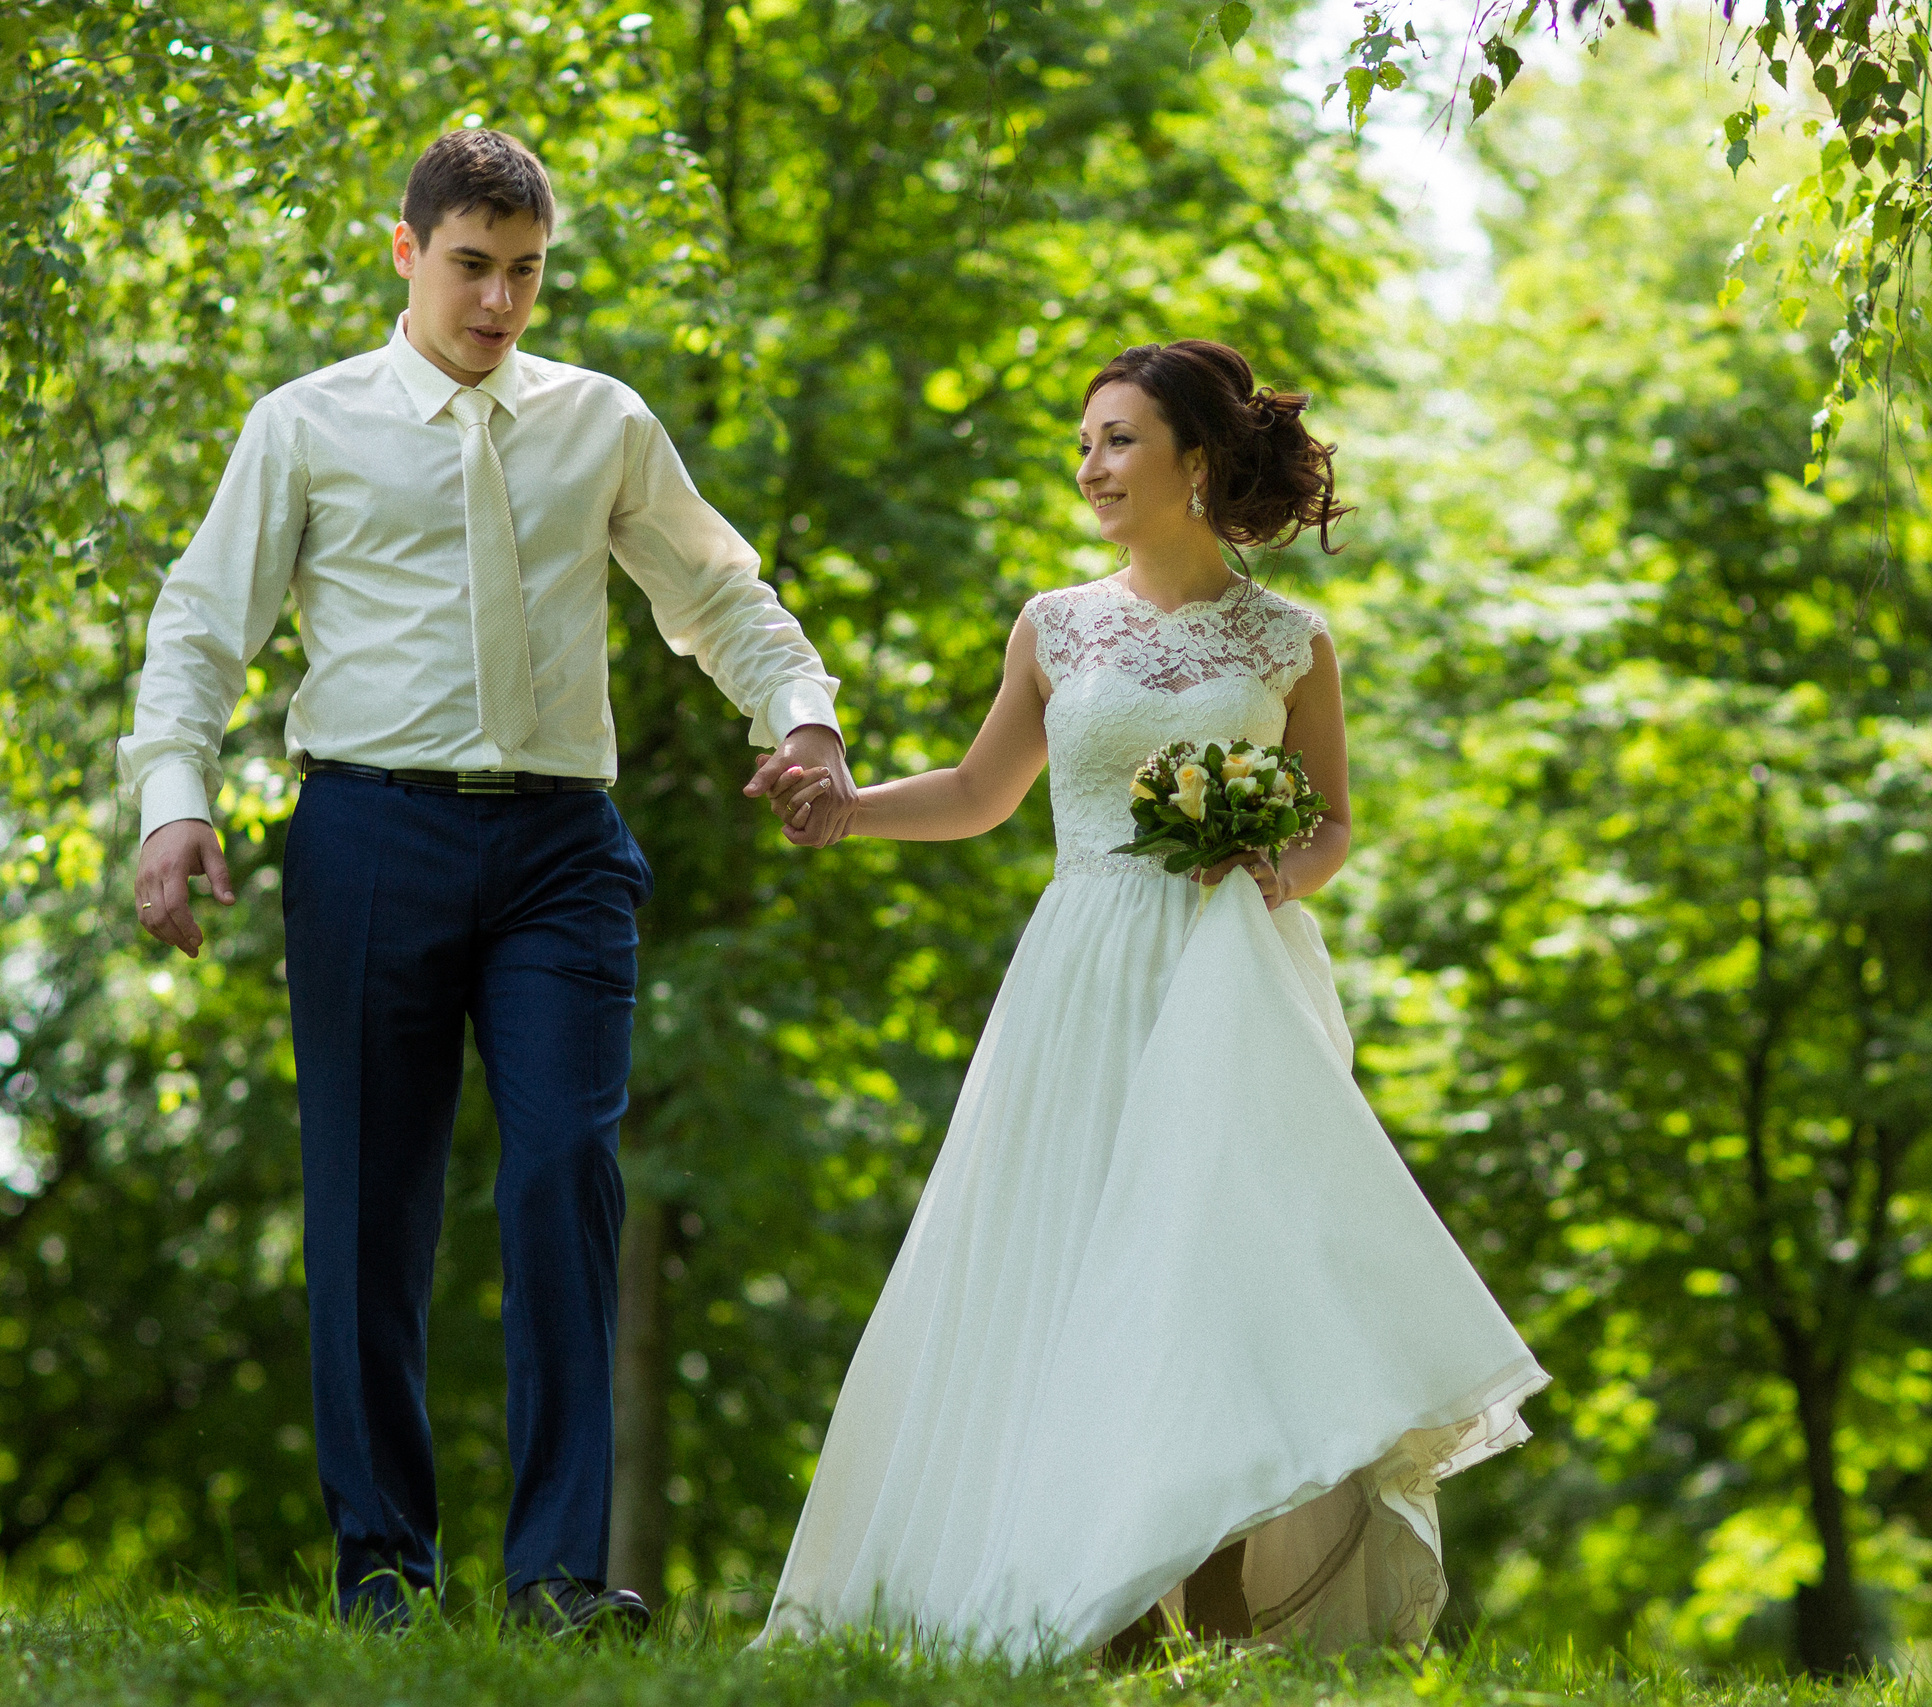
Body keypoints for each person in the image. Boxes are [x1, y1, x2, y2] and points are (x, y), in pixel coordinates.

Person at [118, 128, 848, 1634]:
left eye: (525, 272)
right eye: (472, 266)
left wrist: (805, 717)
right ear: (406, 251)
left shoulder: (603, 423)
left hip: (560, 857)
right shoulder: (306, 425)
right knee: (373, 1204)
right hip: (368, 835)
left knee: (561, 1176)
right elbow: (202, 624)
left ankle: (558, 1578)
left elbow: (716, 592)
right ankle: (384, 1568)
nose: (500, 301)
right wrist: (171, 804)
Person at [753, 340, 1547, 1657]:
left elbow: (1335, 822)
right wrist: (843, 812)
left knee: (1210, 1274)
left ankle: (1215, 1588)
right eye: (1084, 444)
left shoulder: (1291, 639)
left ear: (1197, 459)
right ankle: (1100, 1607)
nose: (1091, 466)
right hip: (1082, 971)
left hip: (1228, 980)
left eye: (1118, 440)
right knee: (1068, 1260)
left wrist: (1273, 877)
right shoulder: (1054, 625)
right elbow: (975, 794)